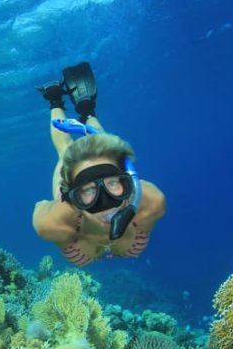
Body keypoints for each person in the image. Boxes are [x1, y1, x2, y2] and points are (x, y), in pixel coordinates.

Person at [32, 62, 166, 266]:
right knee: (65, 149)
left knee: (102, 141)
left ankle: (86, 111)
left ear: (129, 182)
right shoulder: (52, 224)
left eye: (113, 183)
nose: (104, 204)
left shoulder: (152, 204)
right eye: (86, 190)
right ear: (69, 194)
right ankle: (55, 99)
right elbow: (40, 207)